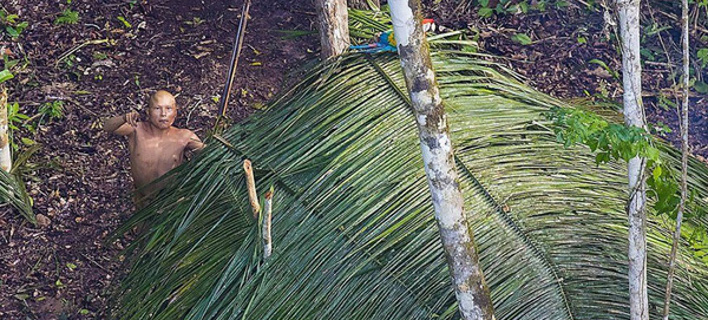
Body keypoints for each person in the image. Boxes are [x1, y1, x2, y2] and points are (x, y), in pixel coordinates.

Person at [104, 90, 204, 206]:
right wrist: (123, 118)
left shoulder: (185, 137)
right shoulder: (136, 130)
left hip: (170, 202)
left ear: (175, 113)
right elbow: (107, 126)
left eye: (168, 109)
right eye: (157, 108)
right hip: (142, 200)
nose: (163, 114)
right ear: (148, 112)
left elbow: (209, 153)